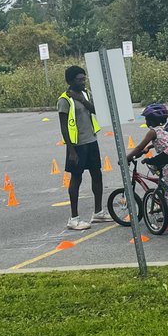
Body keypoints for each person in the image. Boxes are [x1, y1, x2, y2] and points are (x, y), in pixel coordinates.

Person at [57, 65, 105, 230]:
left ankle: (98, 213)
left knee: (97, 174)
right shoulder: (64, 100)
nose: (83, 82)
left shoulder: (85, 94)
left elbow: (96, 110)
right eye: (79, 80)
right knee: (76, 178)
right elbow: (64, 128)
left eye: (84, 79)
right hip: (77, 145)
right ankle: (74, 218)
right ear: (70, 81)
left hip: (91, 140)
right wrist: (71, 150)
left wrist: (82, 99)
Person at [127, 102, 168, 190]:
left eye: (146, 119)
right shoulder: (166, 128)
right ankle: (161, 184)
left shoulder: (152, 132)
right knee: (155, 166)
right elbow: (165, 141)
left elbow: (139, 147)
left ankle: (167, 197)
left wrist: (126, 158)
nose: (146, 122)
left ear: (151, 120)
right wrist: (149, 147)